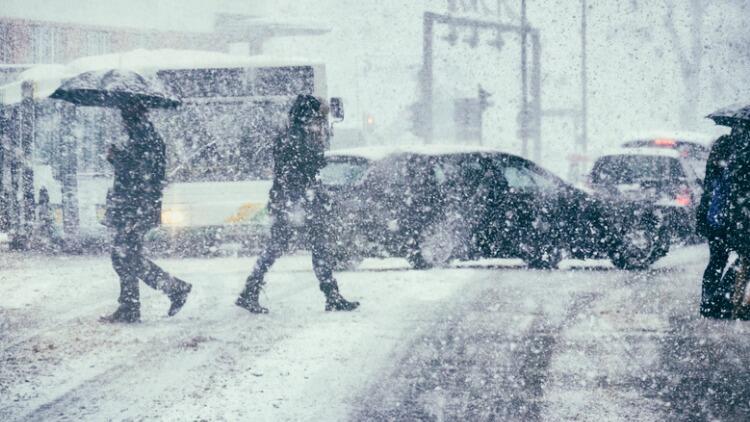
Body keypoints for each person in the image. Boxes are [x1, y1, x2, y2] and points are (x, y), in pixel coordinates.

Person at [236, 94, 359, 313]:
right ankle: (331, 296)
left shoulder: (294, 135)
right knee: (301, 247)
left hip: (293, 202)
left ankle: (251, 291)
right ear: (307, 115)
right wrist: (302, 199)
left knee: (289, 247)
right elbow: (300, 171)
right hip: (295, 203)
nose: (319, 122)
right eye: (316, 117)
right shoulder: (296, 138)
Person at [100, 101, 192, 323]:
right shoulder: (143, 136)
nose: (122, 121)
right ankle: (131, 305)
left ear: (131, 115)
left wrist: (117, 158)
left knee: (124, 255)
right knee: (126, 255)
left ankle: (172, 289)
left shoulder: (143, 137)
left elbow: (140, 173)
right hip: (136, 205)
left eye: (124, 115)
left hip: (136, 207)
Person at [696, 133, 735, 318]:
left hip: (717, 218)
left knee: (717, 260)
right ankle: (720, 299)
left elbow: (708, 190)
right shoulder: (735, 150)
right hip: (728, 218)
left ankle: (711, 300)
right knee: (727, 260)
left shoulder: (722, 145)